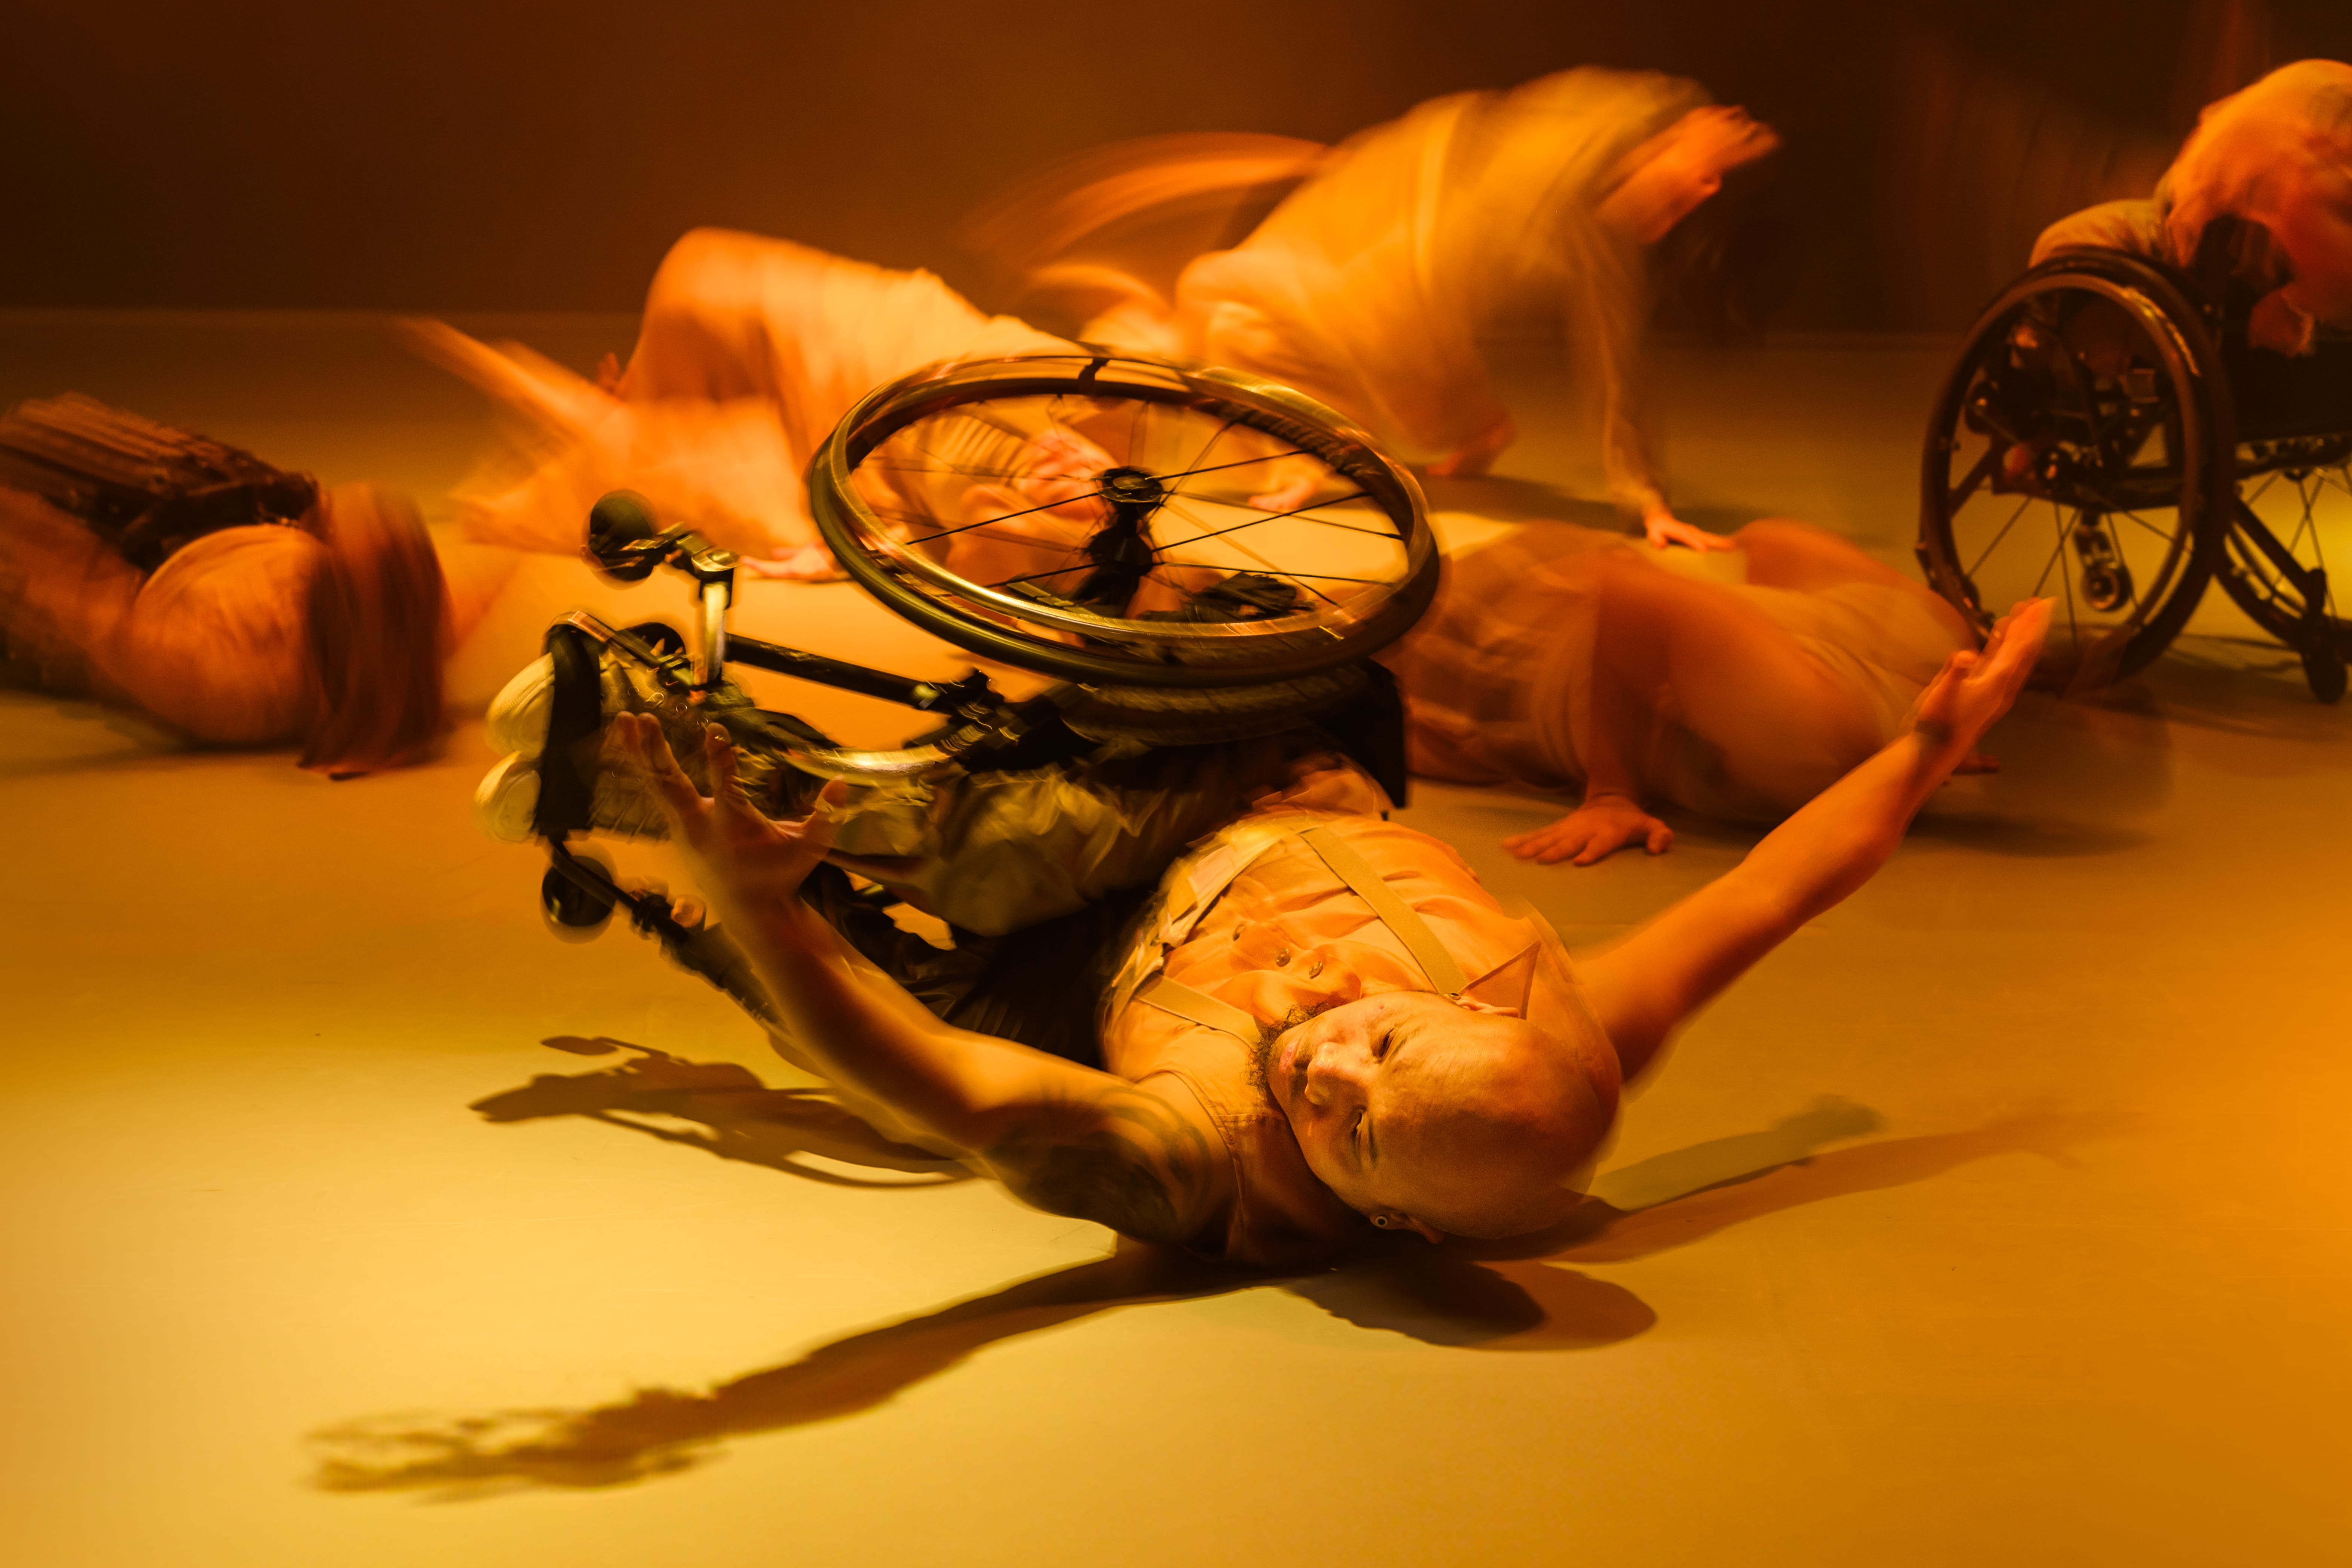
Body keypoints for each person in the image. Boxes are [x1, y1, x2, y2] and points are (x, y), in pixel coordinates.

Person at [602, 598, 2048, 1262]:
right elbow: (1766, 894)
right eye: (1377, 1041)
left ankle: (660, 804)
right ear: (1487, 1012)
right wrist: (1922, 746)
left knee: (947, 884)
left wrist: (758, 909)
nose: (1323, 1068)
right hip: (1282, 763)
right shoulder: (1558, 1038)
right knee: (1226, 615)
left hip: (1086, 925)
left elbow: (960, 1092)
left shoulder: (1203, 1153)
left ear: (1392, 1218)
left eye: (1350, 1127)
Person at [973, 69, 1779, 550]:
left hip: (1397, 256)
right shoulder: (1577, 134)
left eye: (1703, 193)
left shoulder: (1597, 215)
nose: (1693, 201)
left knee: (1247, 307)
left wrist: (1645, 499)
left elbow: (1612, 348)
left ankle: (1426, 430)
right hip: (1392, 215)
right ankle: (1421, 430)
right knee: (1242, 308)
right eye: (1690, 183)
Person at [0, 386, 457, 772]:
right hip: (226, 530)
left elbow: (80, 584)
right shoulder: (402, 627)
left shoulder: (218, 676)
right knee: (28, 439)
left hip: (145, 591)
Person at [405, 228, 1072, 578]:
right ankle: (621, 416)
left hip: (916, 388)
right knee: (695, 307)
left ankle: (619, 417)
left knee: (695, 301)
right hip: (918, 382)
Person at [1393, 516, 1985, 866]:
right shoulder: (1811, 728)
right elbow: (1631, 596)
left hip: (1560, 586)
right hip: (1520, 636)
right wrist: (1611, 791)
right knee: (1357, 676)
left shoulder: (1936, 639)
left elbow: (1768, 542)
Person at [2030, 54, 2352, 354]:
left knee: (2062, 246)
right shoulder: (2345, 132)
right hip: (2193, 210)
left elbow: (2345, 272)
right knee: (2112, 176)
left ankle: (2053, 372)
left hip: (2181, 246)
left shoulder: (2344, 179)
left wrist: (2293, 305)